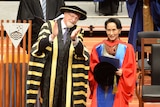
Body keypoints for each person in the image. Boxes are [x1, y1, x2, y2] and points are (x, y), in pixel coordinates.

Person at [26, 5, 90, 107]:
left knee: (67, 102)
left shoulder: (77, 30)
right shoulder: (49, 25)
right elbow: (38, 47)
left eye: (76, 18)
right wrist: (52, 37)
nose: (73, 20)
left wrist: (74, 40)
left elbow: (81, 53)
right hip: (49, 75)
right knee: (48, 102)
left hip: (67, 76)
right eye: (71, 16)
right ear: (64, 14)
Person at [88, 18, 136, 107]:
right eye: (108, 30)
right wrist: (101, 71)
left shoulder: (127, 48)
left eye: (114, 30)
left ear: (119, 30)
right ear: (105, 30)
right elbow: (93, 67)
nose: (111, 33)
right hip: (101, 85)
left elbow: (131, 68)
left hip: (118, 85)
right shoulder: (98, 47)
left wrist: (123, 71)